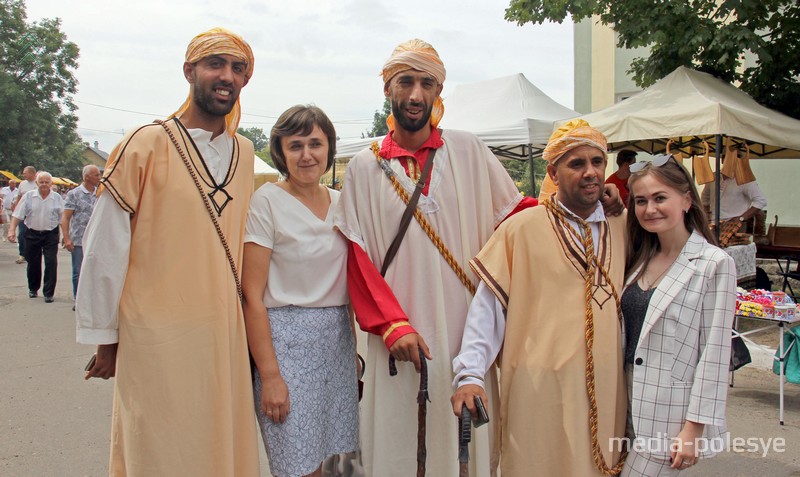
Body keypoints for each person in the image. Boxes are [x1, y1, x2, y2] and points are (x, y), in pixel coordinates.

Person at [334, 38, 539, 477]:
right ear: (388, 89)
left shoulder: (469, 150)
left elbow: (516, 219)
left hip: (468, 329)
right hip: (397, 334)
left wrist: (587, 211)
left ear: (438, 92)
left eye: (426, 83)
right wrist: (390, 324)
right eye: (405, 81)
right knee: (397, 441)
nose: (415, 94)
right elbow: (356, 255)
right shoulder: (364, 167)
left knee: (464, 444)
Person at [75, 28, 259, 476]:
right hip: (155, 334)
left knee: (219, 443)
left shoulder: (246, 151)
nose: (226, 76)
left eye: (238, 68)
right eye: (215, 63)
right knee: (158, 446)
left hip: (223, 334)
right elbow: (105, 248)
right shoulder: (145, 142)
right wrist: (106, 335)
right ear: (189, 70)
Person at [451, 119, 627, 477]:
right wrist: (469, 374)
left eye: (597, 162)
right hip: (538, 393)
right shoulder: (521, 228)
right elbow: (487, 311)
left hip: (608, 392)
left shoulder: (625, 228)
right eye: (576, 164)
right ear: (553, 172)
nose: (590, 172)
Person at [243, 105, 359, 477]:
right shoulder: (266, 203)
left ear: (329, 149)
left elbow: (349, 286)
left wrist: (354, 351)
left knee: (339, 464)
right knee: (297, 467)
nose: (306, 154)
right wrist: (271, 375)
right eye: (295, 145)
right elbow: (252, 296)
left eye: (315, 143)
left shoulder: (343, 204)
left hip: (337, 346)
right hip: (286, 348)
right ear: (280, 151)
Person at [621, 154, 735, 476]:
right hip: (621, 400)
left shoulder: (714, 263)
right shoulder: (638, 257)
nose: (649, 209)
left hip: (668, 414)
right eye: (641, 200)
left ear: (686, 200)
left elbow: (714, 353)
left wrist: (693, 428)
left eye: (660, 198)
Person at [8, 171, 64, 303]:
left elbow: (63, 219)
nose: (44, 185)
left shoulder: (57, 198)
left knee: (51, 263)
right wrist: (11, 230)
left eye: (47, 182)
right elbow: (17, 215)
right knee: (33, 263)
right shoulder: (28, 196)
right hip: (32, 233)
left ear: (51, 184)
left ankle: (48, 293)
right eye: (41, 182)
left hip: (50, 233)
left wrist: (66, 236)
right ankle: (33, 288)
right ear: (37, 183)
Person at [61, 165, 101, 303]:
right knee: (78, 271)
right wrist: (66, 238)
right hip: (78, 239)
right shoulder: (74, 194)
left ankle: (92, 300)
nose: (99, 177)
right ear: (86, 177)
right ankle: (78, 299)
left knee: (95, 271)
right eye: (96, 175)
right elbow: (65, 218)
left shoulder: (101, 194)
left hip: (96, 239)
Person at [13, 166, 37, 263]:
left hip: (34, 214)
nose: (23, 175)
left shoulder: (38, 183)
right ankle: (22, 254)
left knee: (33, 234)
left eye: (25, 173)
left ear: (31, 173)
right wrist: (16, 209)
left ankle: (32, 253)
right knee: (21, 234)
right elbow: (19, 197)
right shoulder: (22, 184)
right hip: (24, 213)